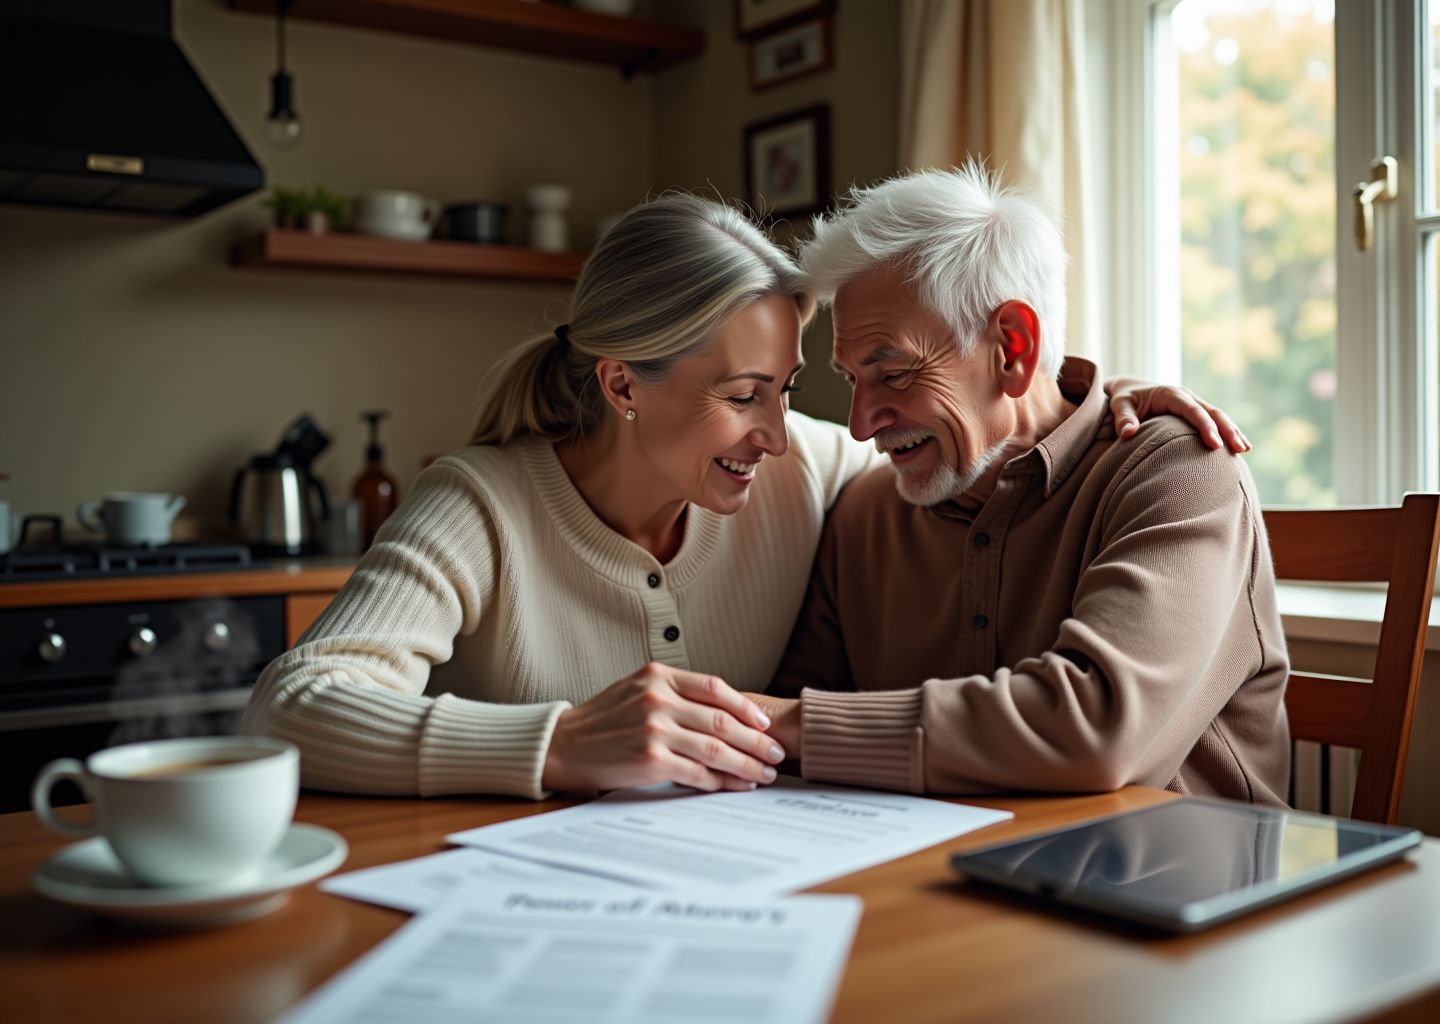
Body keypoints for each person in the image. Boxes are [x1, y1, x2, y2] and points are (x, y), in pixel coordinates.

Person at [242, 192, 1247, 800]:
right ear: (623, 383)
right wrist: (553, 743)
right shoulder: (483, 505)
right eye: (741, 396)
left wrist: (1104, 397)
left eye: (787, 392)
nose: (789, 430)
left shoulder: (806, 474)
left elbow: (985, 436)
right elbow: (292, 707)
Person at [755, 164, 1289, 805]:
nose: (862, 425)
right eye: (851, 381)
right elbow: (777, 750)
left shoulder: (1180, 473)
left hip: (1174, 884)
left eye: (892, 374)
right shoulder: (865, 514)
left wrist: (793, 726)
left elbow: (1094, 729)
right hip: (934, 880)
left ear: (1012, 347)